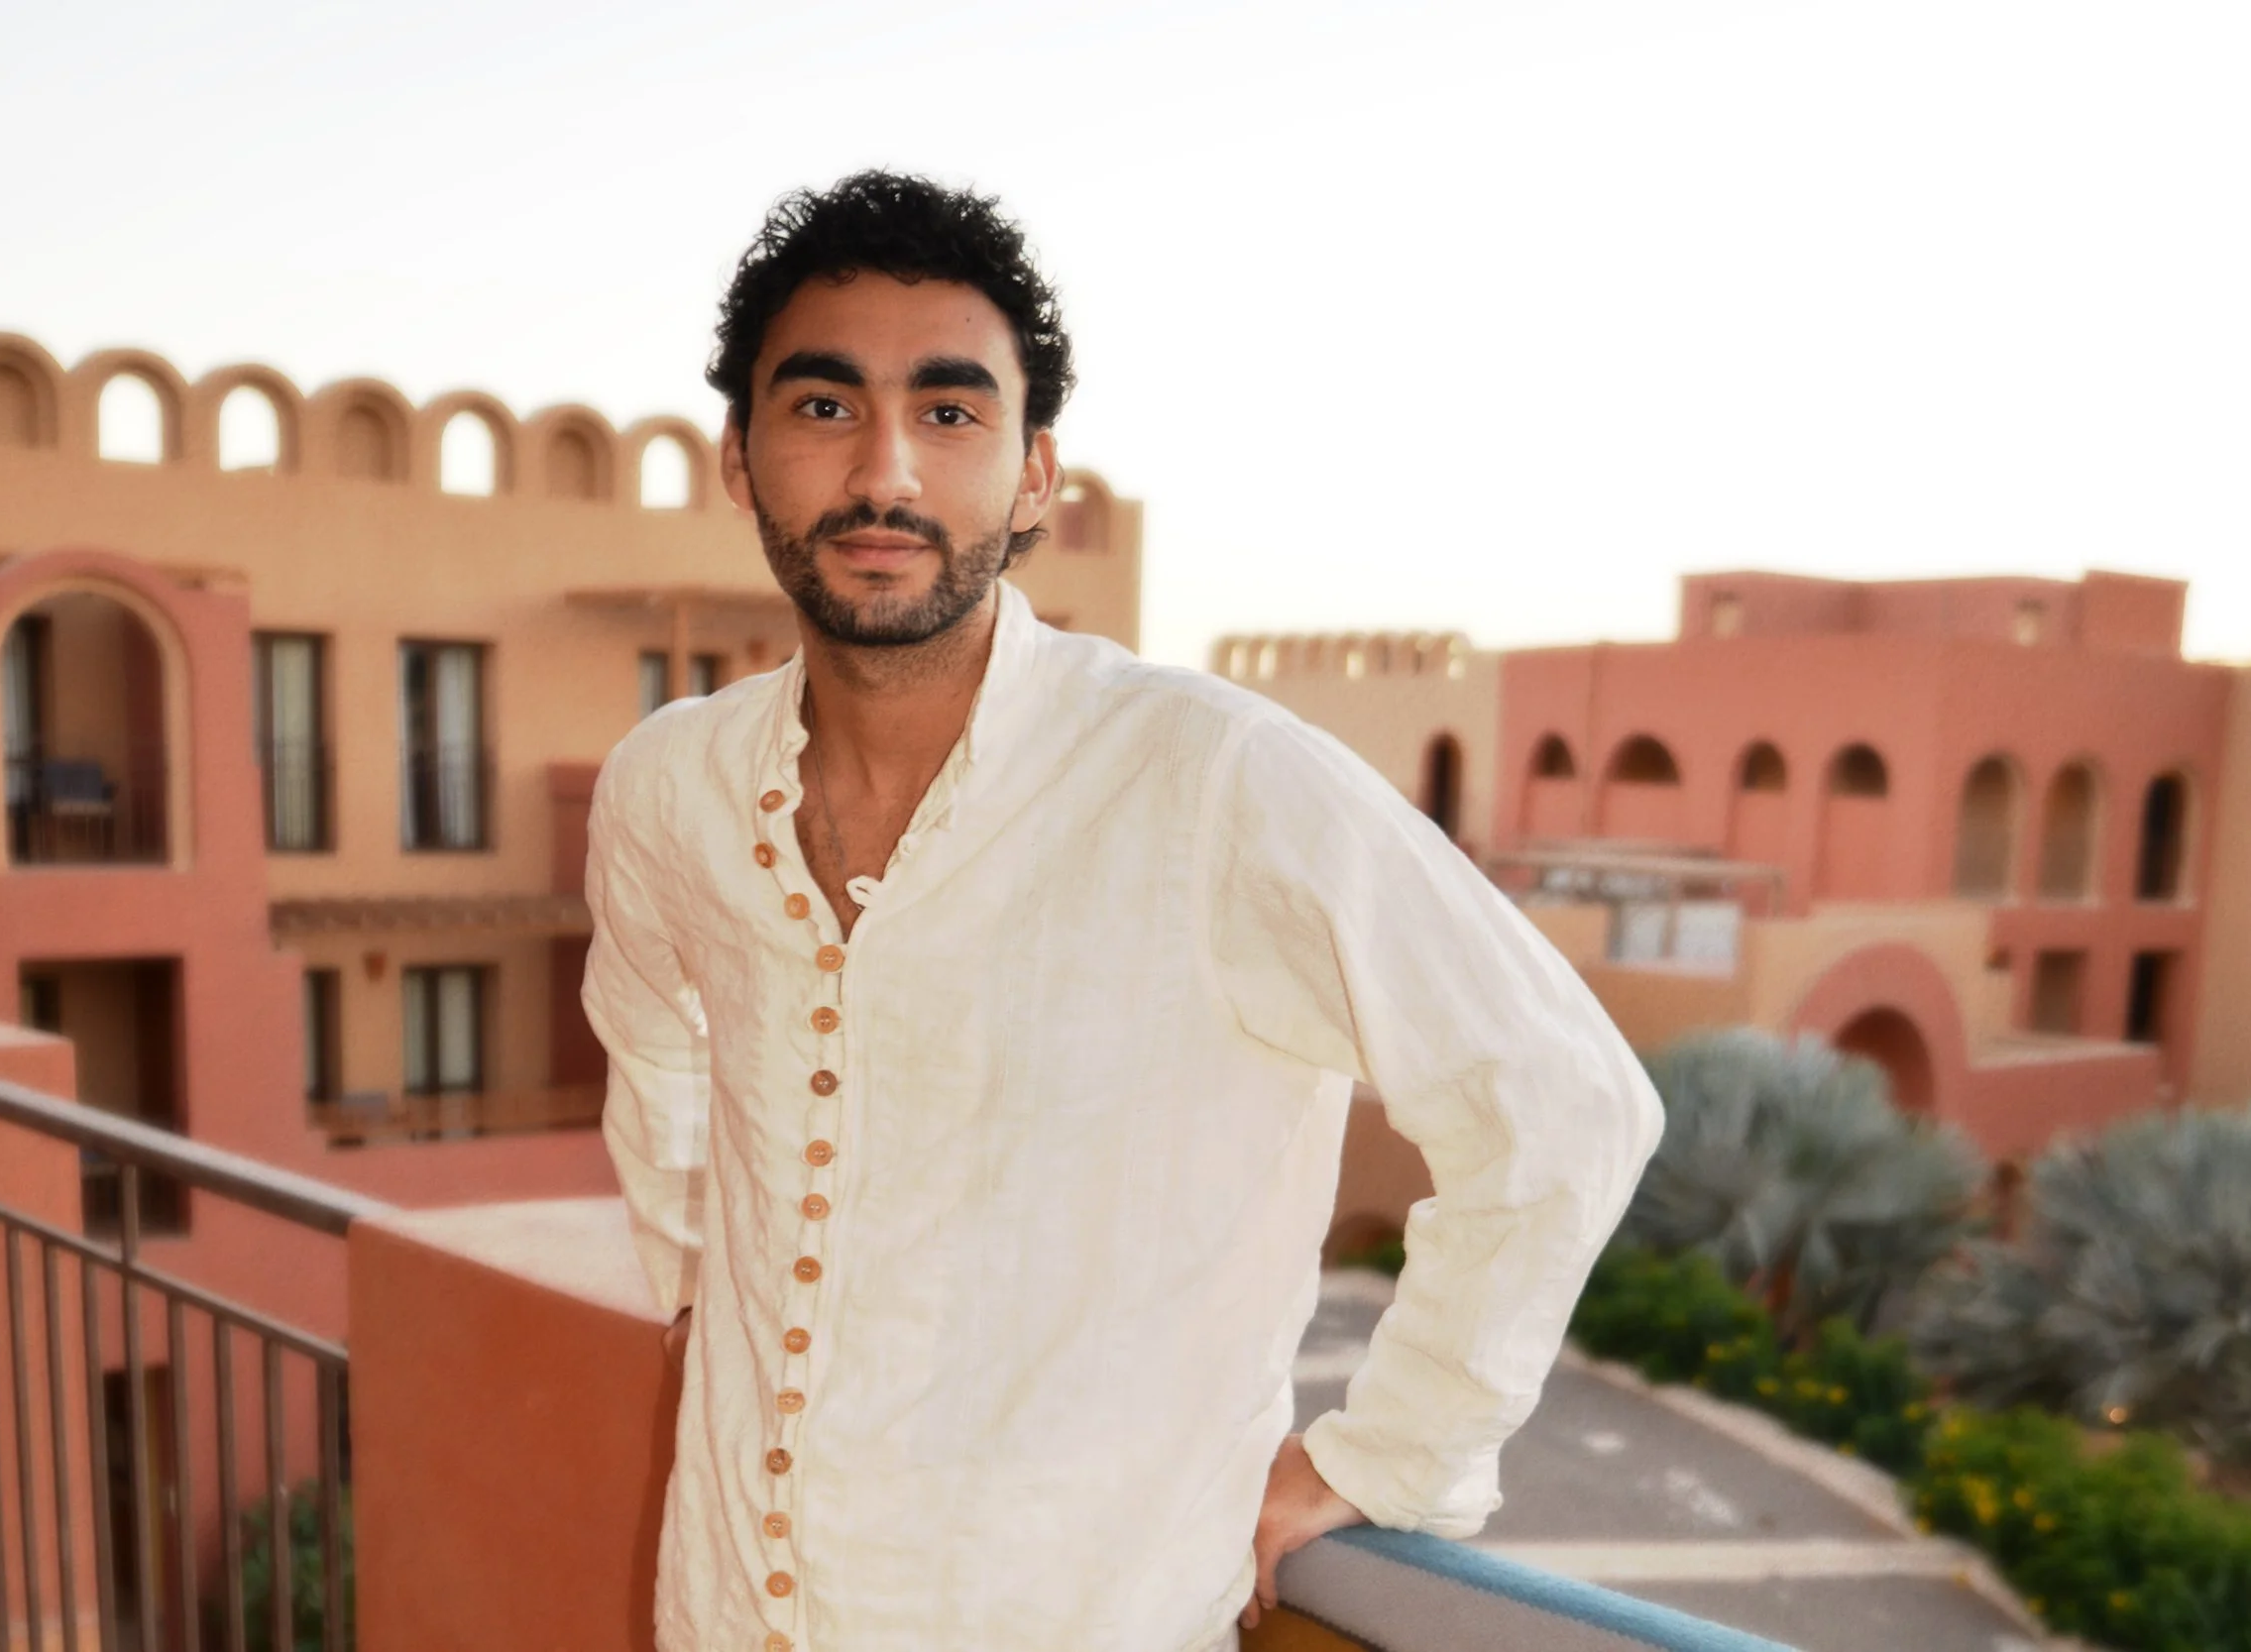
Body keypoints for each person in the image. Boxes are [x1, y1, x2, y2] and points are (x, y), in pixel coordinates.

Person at [582, 169, 1665, 1652]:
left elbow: (1562, 1102)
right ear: (741, 456)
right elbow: (650, 1038)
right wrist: (703, 1289)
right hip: (726, 1613)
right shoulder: (670, 787)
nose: (884, 471)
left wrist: (1385, 1455)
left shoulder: (1213, 780)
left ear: (1034, 475)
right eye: (824, 406)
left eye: (949, 412)